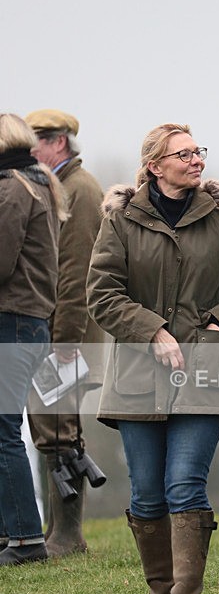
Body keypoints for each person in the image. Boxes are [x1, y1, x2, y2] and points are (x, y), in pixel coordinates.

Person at [86, 122, 219, 594]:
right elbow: (102, 295)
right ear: (154, 166)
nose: (196, 161)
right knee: (146, 492)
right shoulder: (119, 222)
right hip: (136, 380)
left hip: (204, 377)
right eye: (184, 154)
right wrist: (153, 331)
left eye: (198, 152)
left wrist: (214, 330)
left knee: (185, 484)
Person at [24, 109, 106, 557]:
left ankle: (67, 536)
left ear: (59, 142)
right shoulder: (61, 186)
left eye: (35, 141)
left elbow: (76, 276)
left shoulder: (80, 189)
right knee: (49, 427)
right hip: (58, 333)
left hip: (67, 335)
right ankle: (57, 529)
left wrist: (65, 342)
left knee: (61, 429)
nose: (29, 151)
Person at [0, 113, 68, 566]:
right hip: (30, 321)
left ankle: (25, 539)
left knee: (3, 432)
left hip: (12, 321)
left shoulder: (11, 188)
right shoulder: (38, 183)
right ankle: (16, 534)